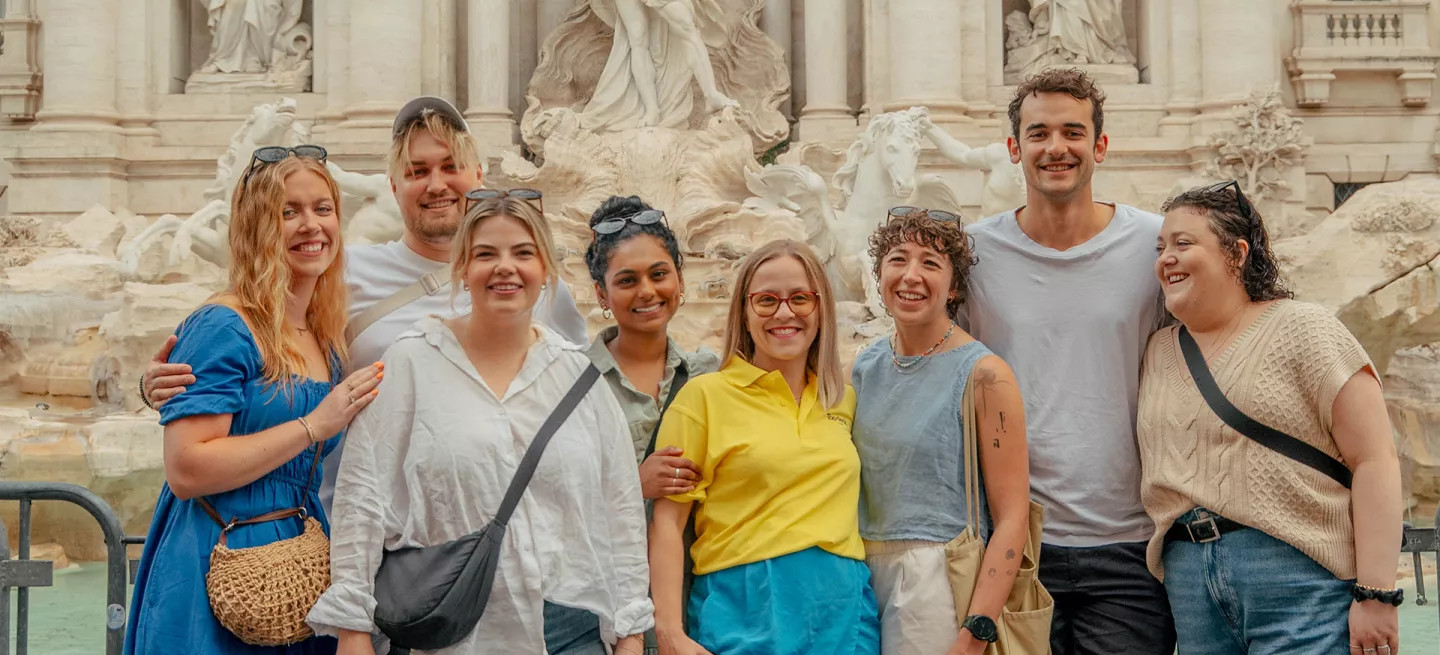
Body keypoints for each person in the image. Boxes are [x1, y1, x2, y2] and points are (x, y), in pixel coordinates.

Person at [141, 96, 589, 509]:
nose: (436, 184)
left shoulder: (538, 289)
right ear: (394, 187)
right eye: (417, 172)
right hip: (368, 532)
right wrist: (163, 385)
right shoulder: (339, 274)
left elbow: (579, 402)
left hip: (502, 526)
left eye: (450, 166)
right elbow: (247, 330)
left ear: (477, 176)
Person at [306, 197, 652, 654]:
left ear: (546, 269)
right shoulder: (412, 362)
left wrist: (629, 633)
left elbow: (619, 511)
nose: (504, 268)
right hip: (447, 628)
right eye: (486, 254)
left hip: (568, 627)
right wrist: (352, 632)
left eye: (523, 253)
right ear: (462, 268)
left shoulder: (580, 376)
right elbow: (363, 497)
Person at [125, 151, 383, 654]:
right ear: (255, 227)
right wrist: (313, 425)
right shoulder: (225, 324)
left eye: (323, 208)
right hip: (212, 561)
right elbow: (187, 468)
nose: (311, 225)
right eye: (289, 212)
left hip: (295, 568)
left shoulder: (324, 336)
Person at [956, 67, 1174, 654]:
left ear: (1099, 146)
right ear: (1013, 148)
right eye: (1039, 133)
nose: (1057, 148)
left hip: (1133, 545)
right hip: (1013, 545)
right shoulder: (971, 256)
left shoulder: (1155, 245)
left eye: (1073, 132)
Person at [1141, 183, 1403, 655]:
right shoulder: (1158, 351)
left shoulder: (1305, 326)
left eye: (1184, 243)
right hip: (1187, 579)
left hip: (1295, 571)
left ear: (1236, 253)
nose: (1167, 258)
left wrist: (1377, 593)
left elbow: (1375, 460)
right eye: (1161, 248)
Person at [649, 240, 880, 655]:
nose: (785, 313)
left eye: (800, 299)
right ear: (744, 311)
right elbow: (668, 522)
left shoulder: (841, 399)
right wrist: (669, 632)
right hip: (745, 605)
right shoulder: (703, 398)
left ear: (821, 307)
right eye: (767, 300)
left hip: (844, 609)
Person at [852, 208, 1032, 655]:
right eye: (898, 259)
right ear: (879, 275)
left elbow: (1013, 517)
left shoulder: (985, 374)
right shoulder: (863, 367)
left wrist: (975, 633)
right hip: (858, 577)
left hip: (937, 580)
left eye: (930, 262)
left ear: (953, 287)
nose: (911, 275)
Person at [582, 195, 719, 655]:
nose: (647, 291)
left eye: (659, 274)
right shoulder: (571, 382)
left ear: (680, 279)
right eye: (627, 280)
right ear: (601, 294)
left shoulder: (710, 374)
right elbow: (544, 501)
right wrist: (631, 483)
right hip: (598, 610)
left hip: (700, 602)